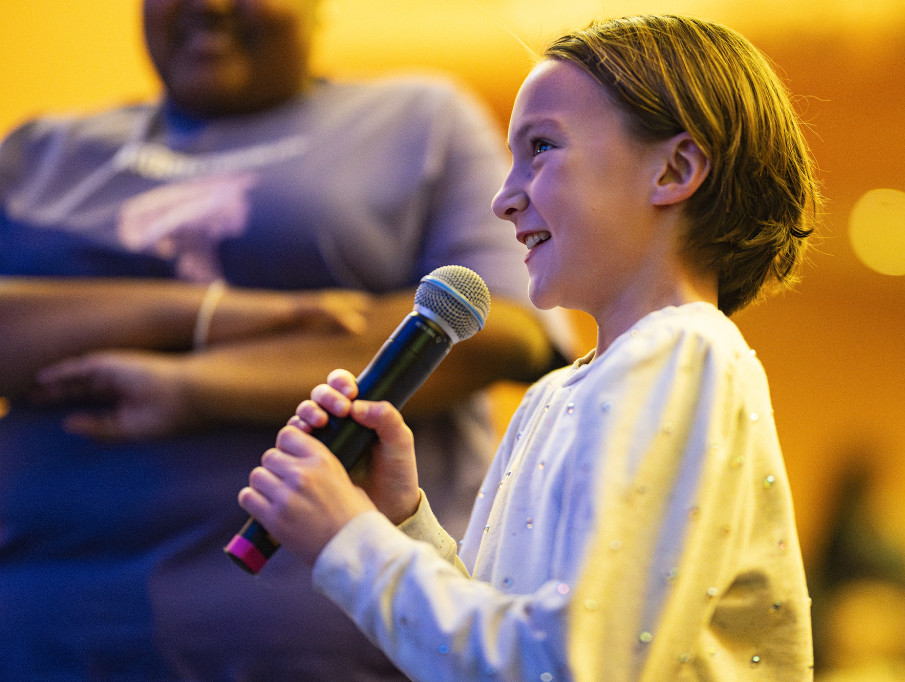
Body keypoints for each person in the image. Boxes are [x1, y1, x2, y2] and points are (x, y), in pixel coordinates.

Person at [239, 13, 822, 682]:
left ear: (676, 169)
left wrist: (351, 542)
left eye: (541, 147)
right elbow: (507, 642)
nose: (502, 199)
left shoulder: (683, 350)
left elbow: (571, 665)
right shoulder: (556, 394)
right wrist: (398, 520)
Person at [0, 0, 565, 679]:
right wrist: (217, 315)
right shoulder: (42, 151)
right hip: (46, 636)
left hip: (324, 641)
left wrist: (190, 388)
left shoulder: (418, 120)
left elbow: (497, 326)